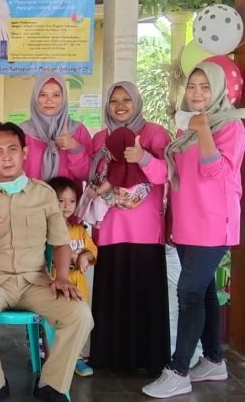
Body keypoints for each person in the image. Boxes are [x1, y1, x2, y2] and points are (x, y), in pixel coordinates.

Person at [0, 122, 93, 402]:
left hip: (35, 280)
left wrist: (62, 277)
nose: (6, 157)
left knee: (80, 316)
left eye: (12, 150)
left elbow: (60, 243)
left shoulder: (44, 194)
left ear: (25, 153)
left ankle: (51, 384)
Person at [142, 62, 245, 398]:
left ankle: (178, 370)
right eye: (192, 86)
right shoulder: (185, 129)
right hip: (187, 224)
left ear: (218, 90)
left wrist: (203, 132)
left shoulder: (230, 125)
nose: (197, 93)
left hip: (214, 224)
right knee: (203, 292)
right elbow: (172, 175)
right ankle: (214, 360)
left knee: (188, 294)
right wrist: (142, 159)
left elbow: (218, 173)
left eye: (205, 87)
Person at [85, 82, 171, 375]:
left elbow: (167, 173)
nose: (120, 105)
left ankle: (149, 359)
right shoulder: (100, 138)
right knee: (112, 297)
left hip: (145, 233)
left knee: (145, 296)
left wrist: (143, 157)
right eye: (114, 100)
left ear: (137, 102)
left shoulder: (155, 134)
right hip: (109, 231)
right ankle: (110, 358)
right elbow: (95, 178)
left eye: (126, 100)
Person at [47, 176, 97, 377]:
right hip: (55, 283)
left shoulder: (79, 230)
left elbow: (92, 251)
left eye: (72, 201)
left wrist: (84, 256)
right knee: (54, 322)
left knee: (80, 320)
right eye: (61, 201)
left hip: (78, 285)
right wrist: (70, 257)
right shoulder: (46, 231)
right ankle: (52, 357)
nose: (66, 206)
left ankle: (76, 357)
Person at [20, 73, 93, 185]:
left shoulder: (77, 130)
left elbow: (88, 175)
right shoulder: (22, 132)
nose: (49, 101)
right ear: (35, 98)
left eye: (56, 95)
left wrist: (74, 147)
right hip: (31, 196)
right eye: (43, 95)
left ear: (64, 98)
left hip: (68, 196)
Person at [77, 127, 153, 228]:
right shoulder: (135, 158)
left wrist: (97, 192)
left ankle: (98, 221)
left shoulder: (119, 166)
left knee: (101, 199)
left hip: (128, 198)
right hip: (139, 193)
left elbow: (109, 182)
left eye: (111, 150)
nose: (109, 153)